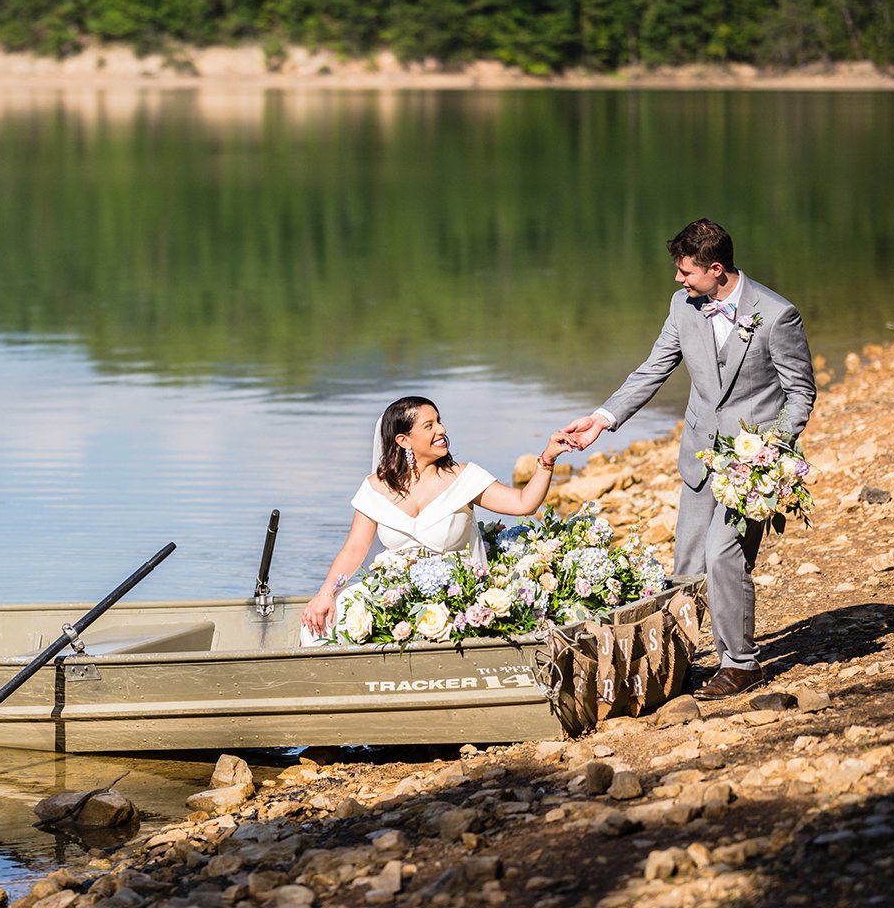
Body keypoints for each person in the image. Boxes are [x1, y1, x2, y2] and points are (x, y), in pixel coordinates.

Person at [561, 219, 815, 700]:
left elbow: (800, 393)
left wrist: (772, 449)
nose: (678, 280)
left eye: (686, 272)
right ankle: (677, 665)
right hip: (699, 454)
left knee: (724, 554)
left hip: (752, 467)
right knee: (688, 565)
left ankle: (741, 665)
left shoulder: (778, 315)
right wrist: (602, 418)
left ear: (716, 269)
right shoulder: (683, 305)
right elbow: (655, 366)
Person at [300, 395, 573, 640]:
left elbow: (524, 503)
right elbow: (354, 549)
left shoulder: (464, 478)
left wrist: (547, 459)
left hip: (458, 595)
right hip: (393, 594)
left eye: (439, 422)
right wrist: (325, 594)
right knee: (321, 625)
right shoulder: (374, 488)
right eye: (429, 425)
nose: (441, 429)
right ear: (403, 440)